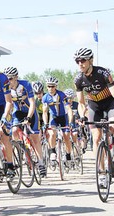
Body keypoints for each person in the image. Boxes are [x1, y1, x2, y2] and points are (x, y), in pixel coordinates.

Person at [73, 47, 114, 187]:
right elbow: (80, 102)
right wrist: (82, 115)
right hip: (94, 105)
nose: (80, 63)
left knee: (112, 126)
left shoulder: (103, 73)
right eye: (77, 61)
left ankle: (112, 151)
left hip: (109, 103)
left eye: (83, 60)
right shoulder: (78, 79)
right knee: (96, 137)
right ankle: (102, 173)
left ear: (90, 60)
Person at [4, 67, 46, 177]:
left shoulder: (25, 85)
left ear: (16, 78)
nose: (9, 81)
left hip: (30, 112)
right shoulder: (6, 87)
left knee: (35, 138)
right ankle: (19, 150)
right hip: (18, 112)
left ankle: (41, 163)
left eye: (11, 79)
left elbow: (32, 103)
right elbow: (8, 104)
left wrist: (28, 117)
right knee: (14, 130)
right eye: (7, 79)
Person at [42, 76, 72, 168]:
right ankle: (52, 152)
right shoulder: (45, 97)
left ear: (56, 86)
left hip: (63, 117)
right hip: (53, 118)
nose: (50, 88)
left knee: (66, 136)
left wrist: (70, 123)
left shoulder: (62, 95)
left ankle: (68, 155)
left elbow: (69, 109)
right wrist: (46, 123)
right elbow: (45, 112)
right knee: (51, 133)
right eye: (49, 86)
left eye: (52, 86)